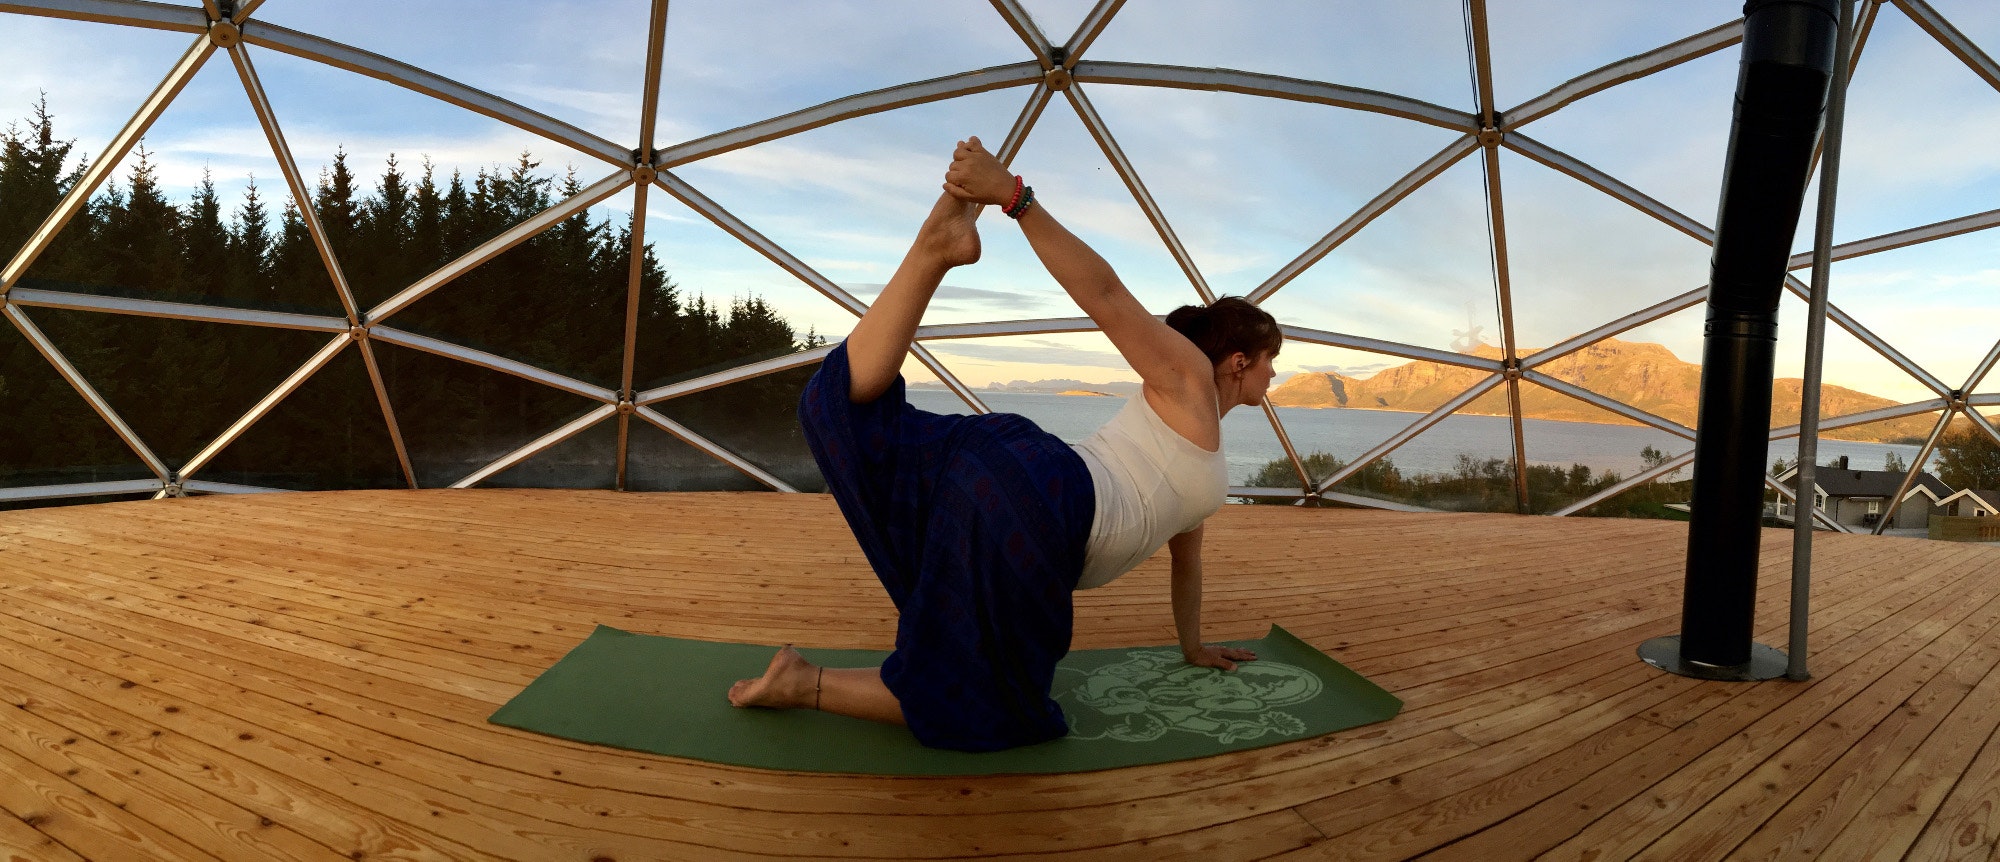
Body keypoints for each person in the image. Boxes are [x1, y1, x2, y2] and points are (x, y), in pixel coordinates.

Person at [726, 136, 1282, 752]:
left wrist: (1193, 645)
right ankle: (808, 687)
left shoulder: (1192, 443)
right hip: (1044, 504)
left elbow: (1187, 561)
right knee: (995, 706)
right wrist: (1015, 198)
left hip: (1014, 471)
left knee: (843, 416)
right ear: (1236, 361)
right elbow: (1105, 296)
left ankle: (932, 250)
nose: (1273, 375)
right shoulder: (1189, 383)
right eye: (1269, 361)